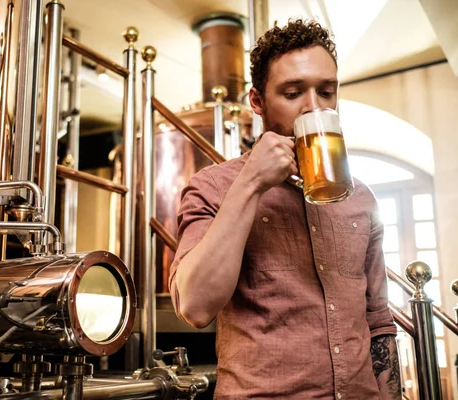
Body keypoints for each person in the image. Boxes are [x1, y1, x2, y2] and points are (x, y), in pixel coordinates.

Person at [169, 19, 400, 399]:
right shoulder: (213, 187)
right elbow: (194, 305)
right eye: (293, 93)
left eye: (326, 92)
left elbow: (378, 320)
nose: (314, 108)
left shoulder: (361, 199)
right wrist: (251, 184)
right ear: (257, 102)